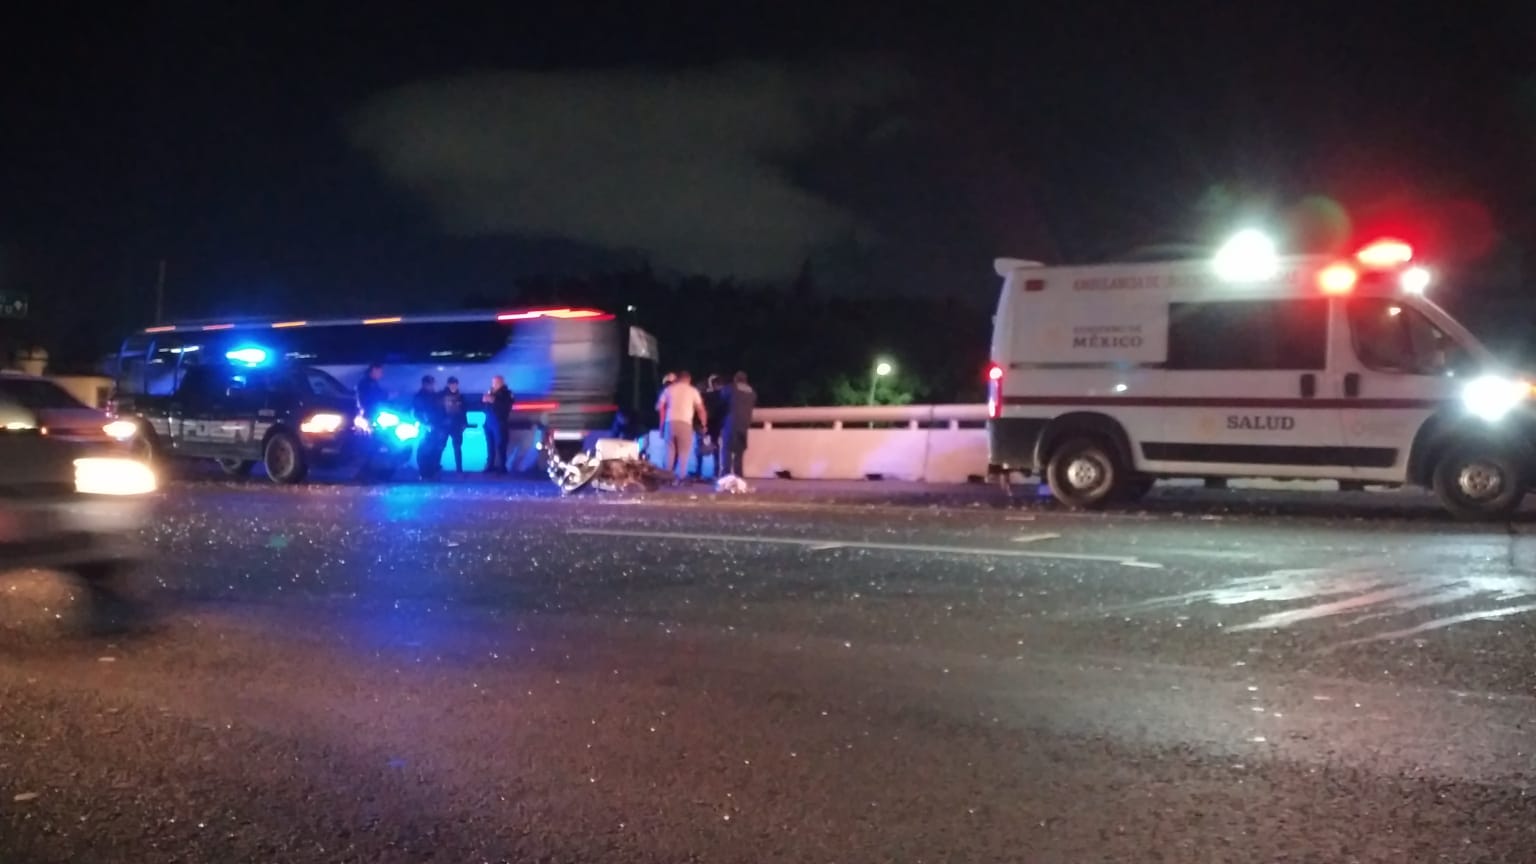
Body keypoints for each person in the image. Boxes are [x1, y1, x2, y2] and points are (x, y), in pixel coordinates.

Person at [655, 371, 706, 482]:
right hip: (685, 423)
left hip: (670, 423)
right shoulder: (693, 391)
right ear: (689, 379)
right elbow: (701, 409)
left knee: (669, 450)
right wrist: (703, 423)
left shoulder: (669, 389)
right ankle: (681, 477)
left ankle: (666, 477)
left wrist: (661, 425)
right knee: (684, 452)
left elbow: (659, 407)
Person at [718, 370, 756, 479]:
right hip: (745, 423)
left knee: (727, 448)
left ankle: (726, 473)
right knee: (739, 450)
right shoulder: (751, 391)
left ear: (735, 379)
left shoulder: (731, 388)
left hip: (731, 421)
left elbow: (722, 400)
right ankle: (739, 474)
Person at [412, 375, 446, 480]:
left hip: (436, 425)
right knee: (425, 449)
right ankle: (425, 472)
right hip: (427, 426)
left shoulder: (434, 395)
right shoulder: (420, 397)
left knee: (436, 449)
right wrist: (425, 424)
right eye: (430, 384)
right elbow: (417, 413)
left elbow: (440, 409)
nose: (432, 386)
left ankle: (433, 470)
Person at [693, 374, 727, 478]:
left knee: (700, 446)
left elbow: (699, 409)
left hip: (703, 423)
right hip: (714, 423)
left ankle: (699, 472)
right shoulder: (721, 395)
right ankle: (716, 472)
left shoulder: (703, 394)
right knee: (715, 447)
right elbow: (722, 410)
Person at [482, 375, 514, 473]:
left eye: (496, 382)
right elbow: (484, 406)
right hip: (489, 422)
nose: (494, 384)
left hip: (499, 423)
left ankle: (502, 467)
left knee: (501, 445)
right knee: (490, 445)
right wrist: (484, 401)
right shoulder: (490, 392)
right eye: (493, 382)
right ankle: (490, 465)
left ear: (501, 383)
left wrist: (494, 400)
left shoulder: (507, 393)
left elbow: (507, 406)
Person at [440, 376, 468, 474]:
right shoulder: (441, 396)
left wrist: (464, 423)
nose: (454, 386)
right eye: (452, 384)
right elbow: (438, 411)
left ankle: (459, 469)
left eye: (455, 384)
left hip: (457, 426)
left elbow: (464, 410)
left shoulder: (460, 396)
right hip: (445, 426)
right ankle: (436, 466)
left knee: (457, 447)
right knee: (441, 446)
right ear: (448, 385)